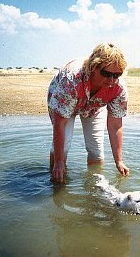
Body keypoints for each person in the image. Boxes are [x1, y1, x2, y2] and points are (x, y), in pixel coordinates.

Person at [47, 42, 130, 182]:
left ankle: (94, 186)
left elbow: (115, 125)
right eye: (106, 74)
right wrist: (59, 163)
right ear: (93, 67)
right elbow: (60, 123)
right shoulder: (71, 80)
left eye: (117, 75)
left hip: (94, 106)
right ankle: (56, 182)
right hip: (66, 99)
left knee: (96, 151)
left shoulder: (118, 88)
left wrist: (119, 161)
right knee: (63, 147)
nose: (111, 80)